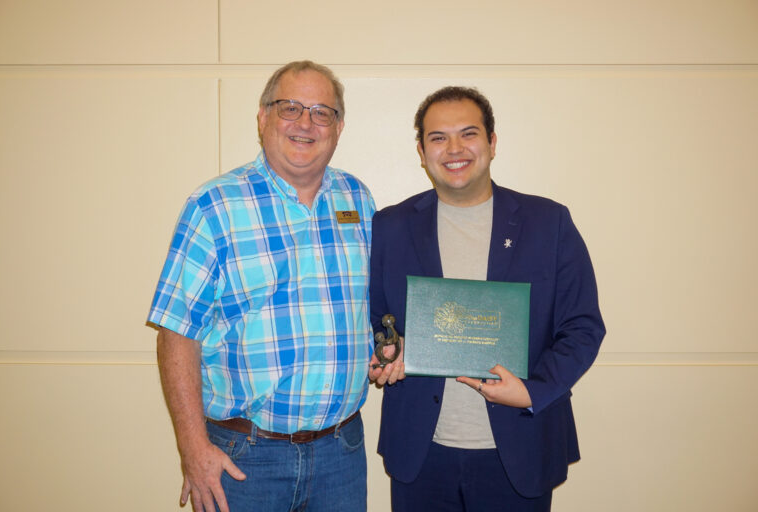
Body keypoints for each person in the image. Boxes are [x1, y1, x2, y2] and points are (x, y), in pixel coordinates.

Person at [148, 61, 375, 512]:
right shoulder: (213, 206)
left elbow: (374, 307)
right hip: (245, 459)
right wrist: (193, 450)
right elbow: (176, 334)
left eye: (321, 112)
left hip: (341, 455)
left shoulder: (359, 201)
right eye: (289, 107)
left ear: (339, 126)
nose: (305, 123)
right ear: (262, 117)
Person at [368, 86, 605, 511]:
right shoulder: (391, 226)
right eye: (438, 138)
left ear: (492, 143)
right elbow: (378, 319)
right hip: (422, 452)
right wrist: (389, 350)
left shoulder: (548, 222)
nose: (454, 149)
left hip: (519, 447)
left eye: (468, 134)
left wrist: (535, 391)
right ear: (421, 152)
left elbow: (583, 326)